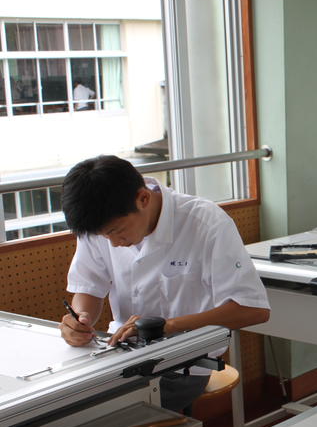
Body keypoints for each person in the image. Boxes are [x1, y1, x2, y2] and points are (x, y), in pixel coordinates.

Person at [59, 155, 270, 412]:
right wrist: (81, 319)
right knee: (64, 400)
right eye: (103, 236)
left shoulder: (205, 222)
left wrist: (167, 326)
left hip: (185, 365)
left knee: (99, 413)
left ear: (143, 198)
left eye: (116, 231)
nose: (113, 243)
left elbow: (253, 309)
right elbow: (88, 287)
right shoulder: (101, 223)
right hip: (121, 354)